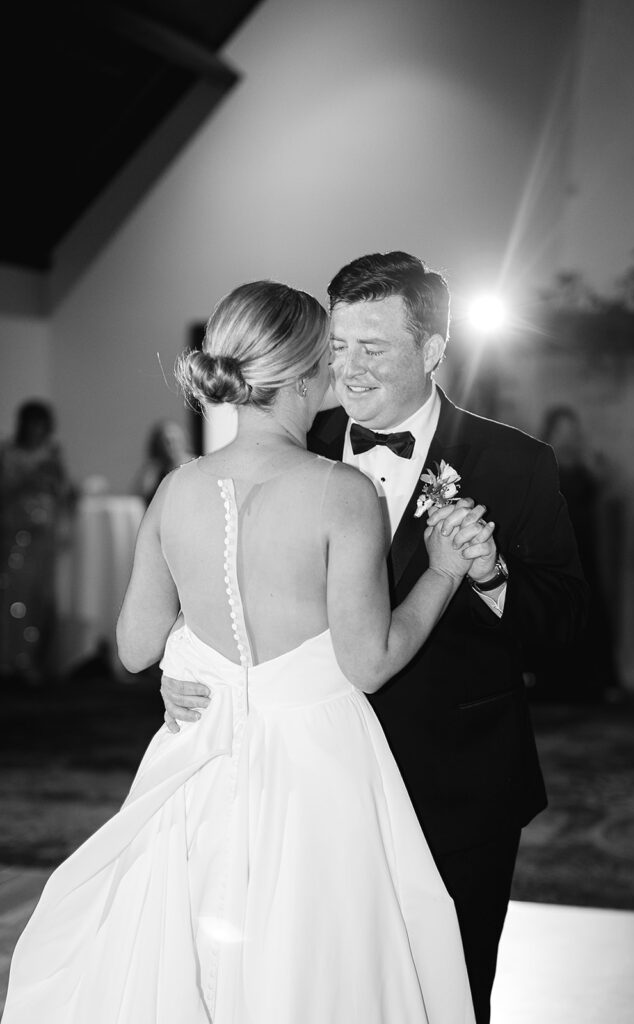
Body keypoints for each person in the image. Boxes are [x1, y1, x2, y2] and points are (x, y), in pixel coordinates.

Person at [2, 280, 484, 1023]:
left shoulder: (176, 489)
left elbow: (133, 648)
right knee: (313, 958)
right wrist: (445, 575)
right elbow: (370, 660)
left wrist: (190, 662)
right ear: (299, 375)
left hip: (200, 755)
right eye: (327, 352)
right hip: (316, 764)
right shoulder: (341, 491)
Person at [162, 252, 589, 1024]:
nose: (346, 371)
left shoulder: (514, 464)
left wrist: (492, 579)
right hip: (309, 790)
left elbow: (567, 633)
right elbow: (214, 571)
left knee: (447, 1000)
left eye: (373, 349)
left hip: (455, 791)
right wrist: (183, 659)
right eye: (336, 347)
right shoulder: (290, 443)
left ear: (431, 351)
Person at [533, 405, 622, 701]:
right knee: (555, 611)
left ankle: (594, 684)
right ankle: (553, 684)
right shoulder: (542, 462)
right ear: (552, 431)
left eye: (572, 429)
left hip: (585, 550)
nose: (569, 435)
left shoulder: (585, 464)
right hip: (555, 551)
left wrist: (595, 467)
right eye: (563, 429)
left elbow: (603, 492)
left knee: (589, 611)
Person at [0, 400, 74, 683]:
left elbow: (64, 492)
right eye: (32, 423)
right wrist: (30, 475)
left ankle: (33, 660)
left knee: (40, 599)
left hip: (44, 534)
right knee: (13, 598)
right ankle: (11, 660)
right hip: (15, 532)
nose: (36, 429)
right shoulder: (8, 453)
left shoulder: (52, 454)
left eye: (41, 423)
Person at [133, 419, 194, 505]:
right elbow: (139, 497)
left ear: (183, 441)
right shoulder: (153, 471)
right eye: (166, 442)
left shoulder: (194, 467)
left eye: (175, 440)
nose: (172, 446)